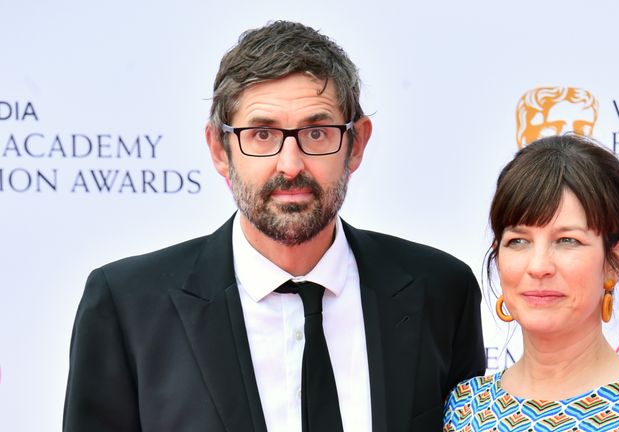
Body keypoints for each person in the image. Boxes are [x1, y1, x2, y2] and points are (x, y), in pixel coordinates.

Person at [63, 21, 485, 432]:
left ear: (356, 144)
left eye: (317, 133)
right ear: (219, 149)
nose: (290, 165)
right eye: (262, 134)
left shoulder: (440, 291)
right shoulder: (128, 305)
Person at [443, 134, 619, 431]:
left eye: (567, 240)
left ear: (615, 261)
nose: (539, 266)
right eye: (518, 241)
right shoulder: (465, 408)